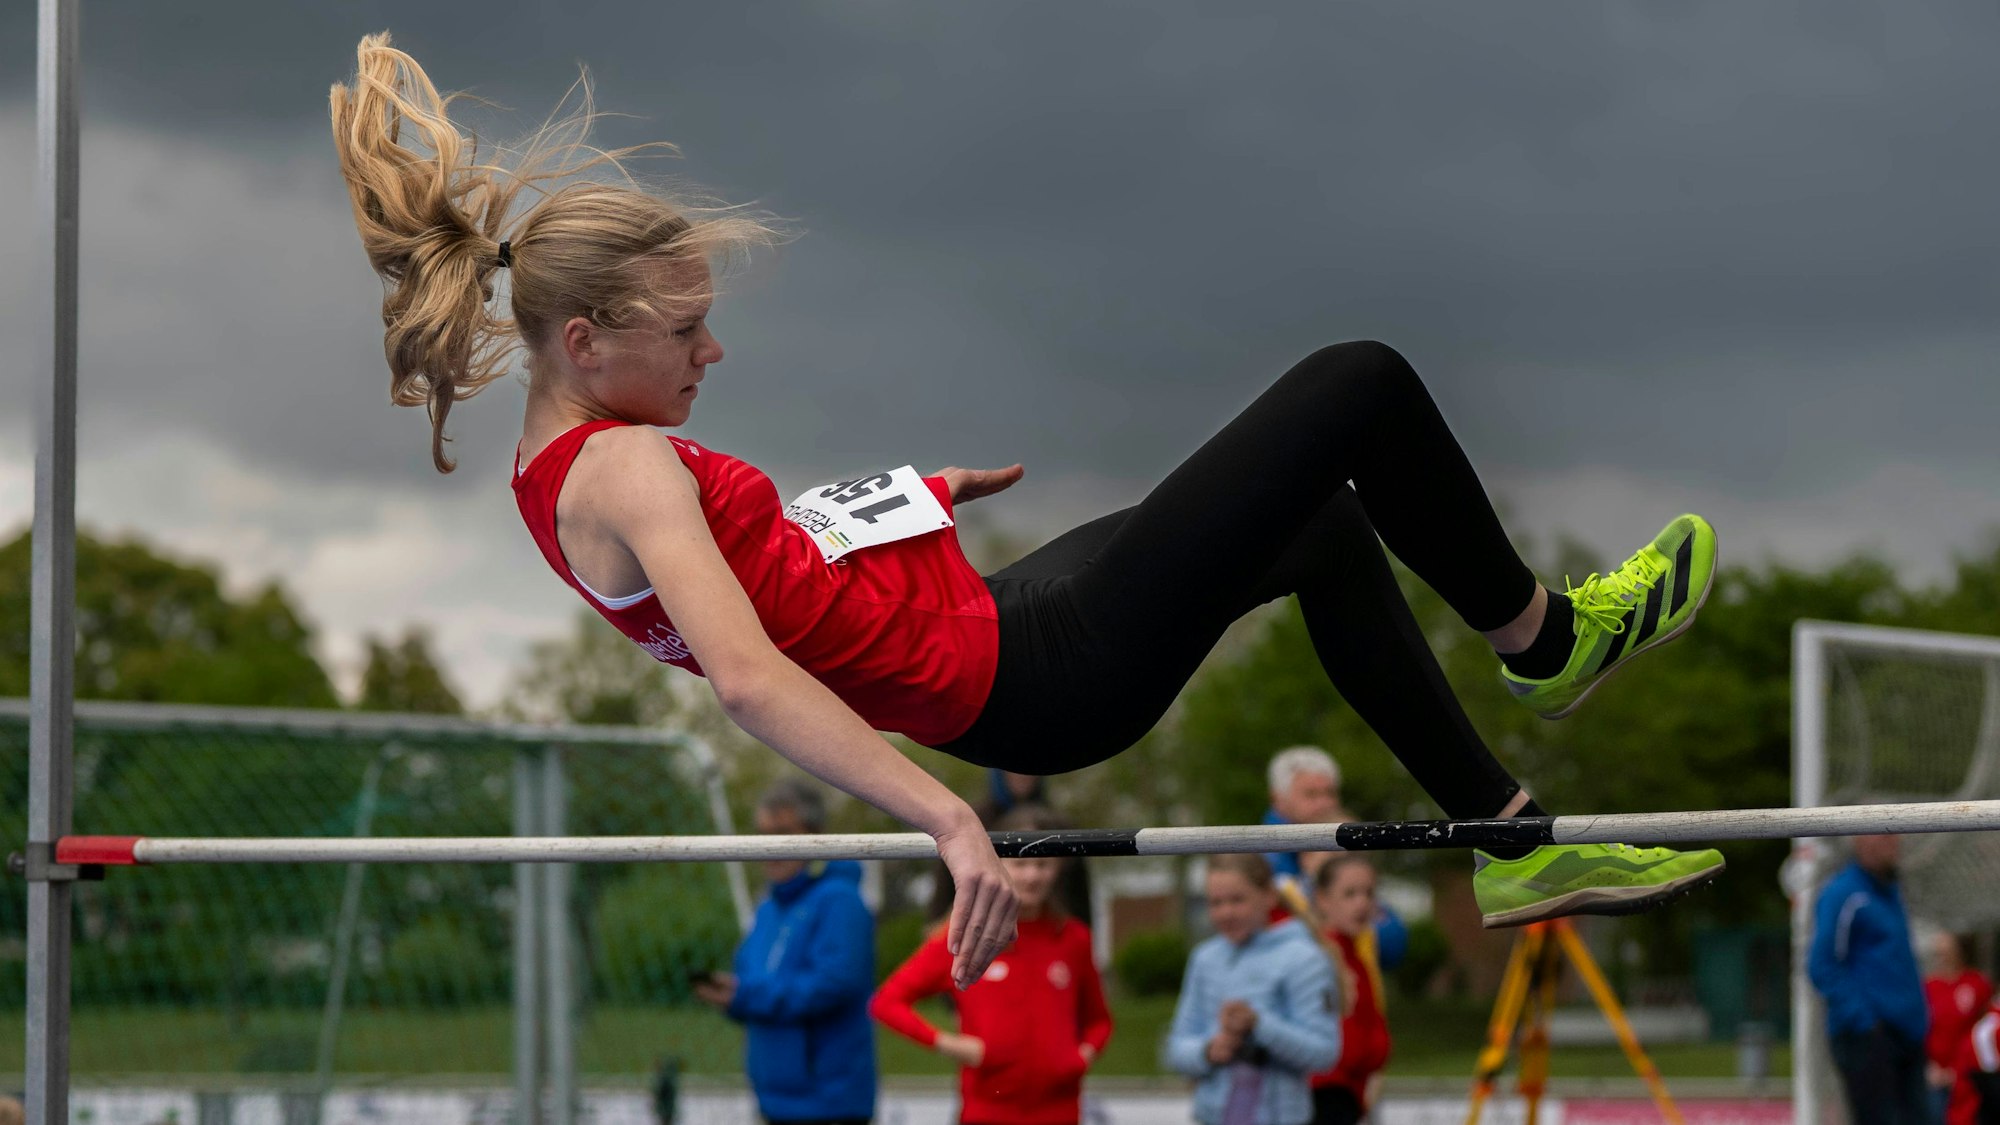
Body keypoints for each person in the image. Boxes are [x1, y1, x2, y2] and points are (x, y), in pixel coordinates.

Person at [331, 34, 1726, 986]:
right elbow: (749, 679)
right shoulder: (623, 470)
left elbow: (768, 579)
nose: (712, 354)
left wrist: (908, 497)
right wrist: (946, 822)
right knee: (1358, 384)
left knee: (1325, 528)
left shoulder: (567, 468)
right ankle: (1542, 640)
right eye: (688, 331)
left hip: (988, 620)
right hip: (1027, 681)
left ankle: (1510, 838)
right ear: (584, 339)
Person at [872, 804, 1112, 1125]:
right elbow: (887, 1002)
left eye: (1043, 865)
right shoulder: (963, 935)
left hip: (1060, 1111)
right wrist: (951, 1045)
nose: (1032, 875)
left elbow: (1099, 1021)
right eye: (1020, 863)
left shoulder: (1074, 939)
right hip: (986, 1111)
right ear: (996, 863)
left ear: (1058, 868)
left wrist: (1080, 1057)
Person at [693, 780, 876, 1125]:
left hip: (828, 1102)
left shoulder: (840, 900)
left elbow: (833, 985)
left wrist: (746, 994)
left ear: (816, 835)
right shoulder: (769, 907)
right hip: (775, 1098)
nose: (770, 847)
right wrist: (732, 995)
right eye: (763, 834)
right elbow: (753, 982)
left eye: (782, 833)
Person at [1167, 854, 1343, 1125]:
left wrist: (1258, 1025)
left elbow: (1324, 1053)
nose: (1226, 912)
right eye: (1215, 902)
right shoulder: (1205, 958)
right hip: (1213, 1117)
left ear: (1269, 896)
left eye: (1237, 900)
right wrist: (1210, 1050)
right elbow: (1176, 1048)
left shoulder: (1304, 958)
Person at [1809, 833, 1931, 1125]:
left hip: (1906, 1036)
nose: (1893, 844)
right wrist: (1865, 1021)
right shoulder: (1846, 894)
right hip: (1870, 1037)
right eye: (1883, 836)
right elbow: (1821, 964)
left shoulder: (1891, 891)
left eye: (1894, 837)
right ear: (1861, 841)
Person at [1262, 747, 1407, 970]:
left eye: (1330, 793)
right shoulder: (1261, 863)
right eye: (1310, 794)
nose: (1324, 803)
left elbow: (1392, 944)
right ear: (1278, 800)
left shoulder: (1344, 837)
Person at [1306, 856, 1392, 1125]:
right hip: (1322, 1097)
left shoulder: (1356, 955)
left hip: (1347, 1096)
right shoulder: (1319, 958)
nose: (1362, 903)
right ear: (1322, 899)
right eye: (1350, 894)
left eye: (1369, 893)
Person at [1929, 933, 1996, 1122]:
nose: (1942, 958)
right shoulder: (1930, 987)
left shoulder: (1977, 984)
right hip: (1936, 1078)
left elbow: (1983, 1031)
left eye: (1946, 952)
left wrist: (1959, 1069)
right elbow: (1923, 1030)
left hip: (1968, 1076)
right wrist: (1930, 1067)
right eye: (1938, 954)